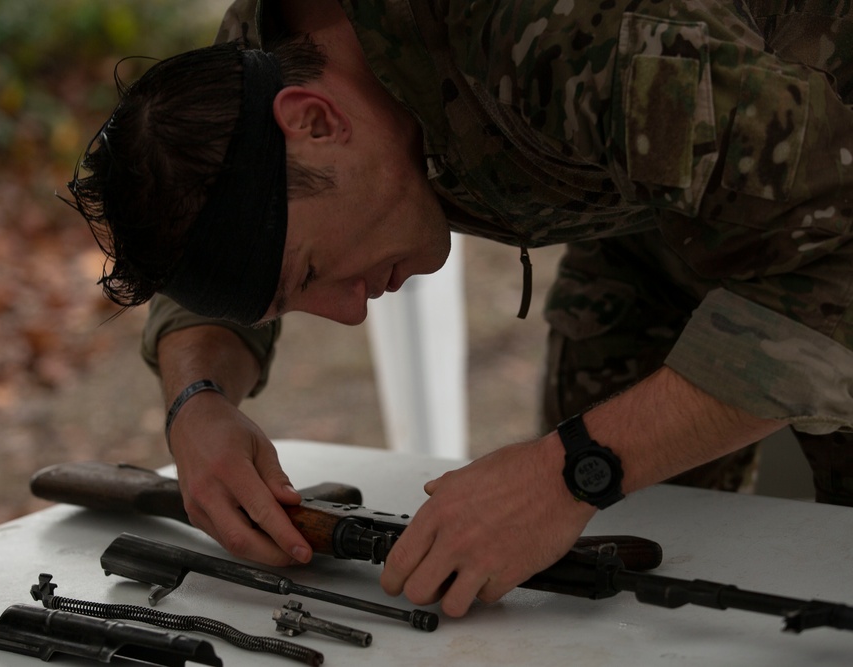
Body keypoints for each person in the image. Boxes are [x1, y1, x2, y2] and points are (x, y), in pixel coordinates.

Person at [66, 0, 853, 618]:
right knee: (605, 590)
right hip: (654, 212)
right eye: (294, 299)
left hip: (827, 172)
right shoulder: (260, 68)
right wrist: (197, 402)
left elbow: (838, 259)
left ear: (316, 121)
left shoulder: (559, 31)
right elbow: (206, 265)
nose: (347, 315)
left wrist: (574, 470)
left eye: (311, 272)